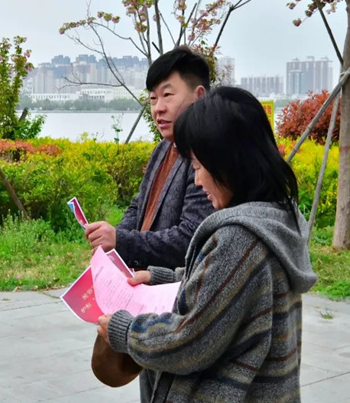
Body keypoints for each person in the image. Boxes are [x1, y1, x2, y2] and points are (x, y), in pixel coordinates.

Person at [98, 86, 317, 402]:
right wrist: (162, 278)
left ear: (230, 162)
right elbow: (229, 292)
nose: (198, 181)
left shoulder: (239, 239)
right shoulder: (276, 218)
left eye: (199, 167)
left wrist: (125, 331)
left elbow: (190, 342)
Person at [84, 47, 214, 273]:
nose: (158, 108)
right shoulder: (163, 148)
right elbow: (138, 206)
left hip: (175, 285)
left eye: (167, 95)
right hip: (142, 279)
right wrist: (113, 243)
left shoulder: (207, 154)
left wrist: (121, 241)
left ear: (199, 95)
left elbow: (191, 237)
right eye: (153, 99)